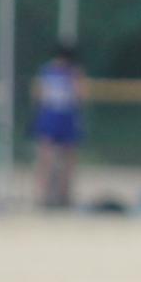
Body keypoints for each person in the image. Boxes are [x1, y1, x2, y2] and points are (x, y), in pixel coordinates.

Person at [29, 44, 87, 210]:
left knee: (57, 159)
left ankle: (55, 196)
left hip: (56, 116)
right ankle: (53, 196)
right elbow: (80, 95)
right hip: (58, 116)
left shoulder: (50, 71)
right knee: (53, 159)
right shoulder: (64, 72)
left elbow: (38, 94)